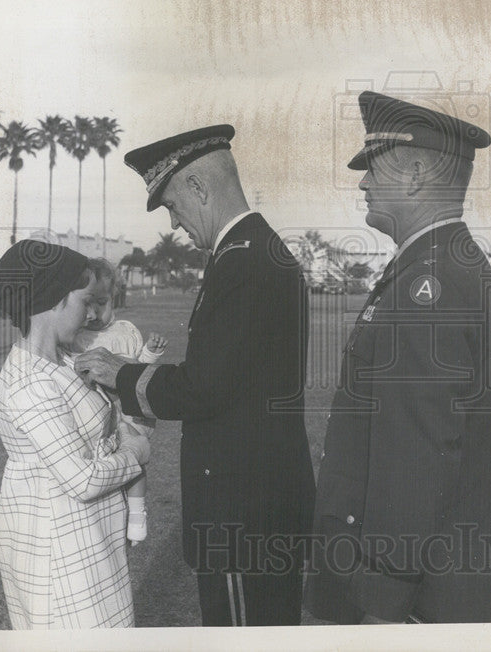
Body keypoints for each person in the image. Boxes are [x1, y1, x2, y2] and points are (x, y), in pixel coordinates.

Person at [305, 91, 491, 624]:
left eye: (372, 169)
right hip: (449, 574)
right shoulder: (441, 268)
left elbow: (417, 455)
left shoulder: (428, 285)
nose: (362, 182)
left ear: (412, 175)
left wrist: (383, 603)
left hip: (431, 594)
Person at [74, 125, 315, 626]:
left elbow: (203, 388)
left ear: (200, 189)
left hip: (241, 510)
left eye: (171, 206)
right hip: (264, 497)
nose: (175, 222)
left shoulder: (242, 263)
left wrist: (121, 374)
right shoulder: (253, 252)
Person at [0, 240, 150, 629]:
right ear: (54, 300)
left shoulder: (61, 359)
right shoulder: (30, 383)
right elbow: (82, 479)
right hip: (58, 545)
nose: (92, 313)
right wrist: (137, 454)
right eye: (84, 301)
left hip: (89, 533)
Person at [70, 258, 168, 545]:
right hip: (97, 416)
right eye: (86, 304)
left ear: (113, 297)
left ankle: (138, 515)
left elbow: (139, 371)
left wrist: (150, 353)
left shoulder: (125, 331)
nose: (94, 312)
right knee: (105, 465)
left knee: (134, 461)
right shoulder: (76, 338)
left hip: (126, 412)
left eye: (101, 302)